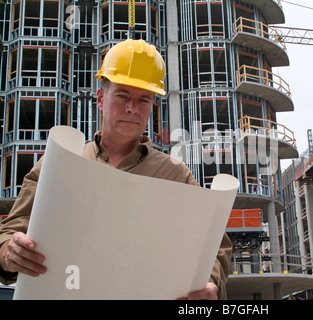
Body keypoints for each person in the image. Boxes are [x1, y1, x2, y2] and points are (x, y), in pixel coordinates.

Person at [0, 39, 232, 300]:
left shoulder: (174, 174)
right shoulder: (61, 163)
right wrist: (8, 251)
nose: (132, 108)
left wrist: (210, 285)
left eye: (143, 99)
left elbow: (214, 244)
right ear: (101, 98)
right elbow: (12, 229)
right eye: (123, 95)